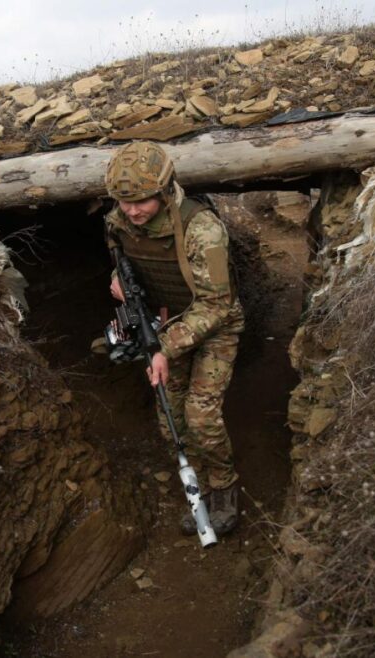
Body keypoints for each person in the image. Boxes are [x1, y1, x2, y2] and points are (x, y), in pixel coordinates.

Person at [103, 141, 245, 536]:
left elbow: (216, 306)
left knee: (201, 418)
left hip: (216, 325)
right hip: (166, 323)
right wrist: (117, 281)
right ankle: (195, 486)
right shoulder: (118, 221)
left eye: (142, 200)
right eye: (124, 201)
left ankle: (223, 489)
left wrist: (163, 348)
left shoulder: (202, 229)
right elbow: (120, 261)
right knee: (171, 418)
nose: (132, 211)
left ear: (165, 190)